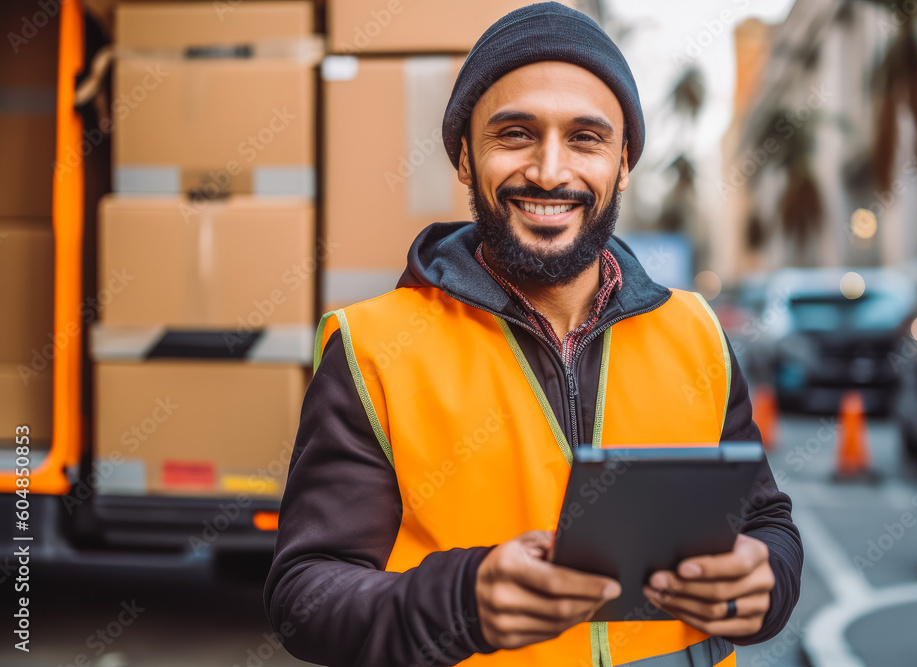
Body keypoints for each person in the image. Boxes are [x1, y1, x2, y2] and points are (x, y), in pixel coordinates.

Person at [265, 4, 802, 665]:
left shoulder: (697, 335)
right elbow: (305, 597)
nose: (551, 171)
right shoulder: (374, 347)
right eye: (516, 134)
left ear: (624, 163)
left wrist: (765, 581)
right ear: (465, 158)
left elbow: (767, 523)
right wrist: (462, 602)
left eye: (586, 138)